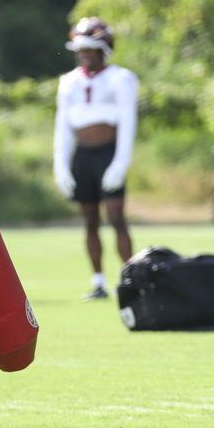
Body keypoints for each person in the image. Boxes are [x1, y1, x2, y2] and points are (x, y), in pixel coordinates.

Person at [54, 17, 139, 301]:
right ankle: (98, 281)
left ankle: (129, 277)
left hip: (108, 152)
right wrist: (61, 164)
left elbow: (128, 123)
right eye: (80, 48)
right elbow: (63, 127)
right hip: (83, 155)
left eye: (89, 48)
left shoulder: (120, 78)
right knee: (90, 221)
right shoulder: (68, 81)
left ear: (104, 48)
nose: (83, 54)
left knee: (116, 217)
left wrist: (120, 162)